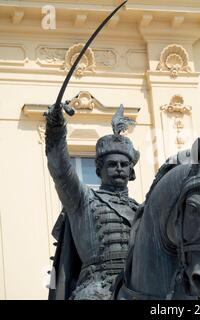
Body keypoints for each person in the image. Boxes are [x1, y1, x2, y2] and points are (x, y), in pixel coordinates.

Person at [45, 102, 140, 300]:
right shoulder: (83, 200)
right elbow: (61, 171)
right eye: (112, 164)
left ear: (131, 172)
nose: (119, 168)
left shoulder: (141, 211)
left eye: (124, 165)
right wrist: (56, 130)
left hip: (136, 285)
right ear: (99, 170)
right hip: (95, 286)